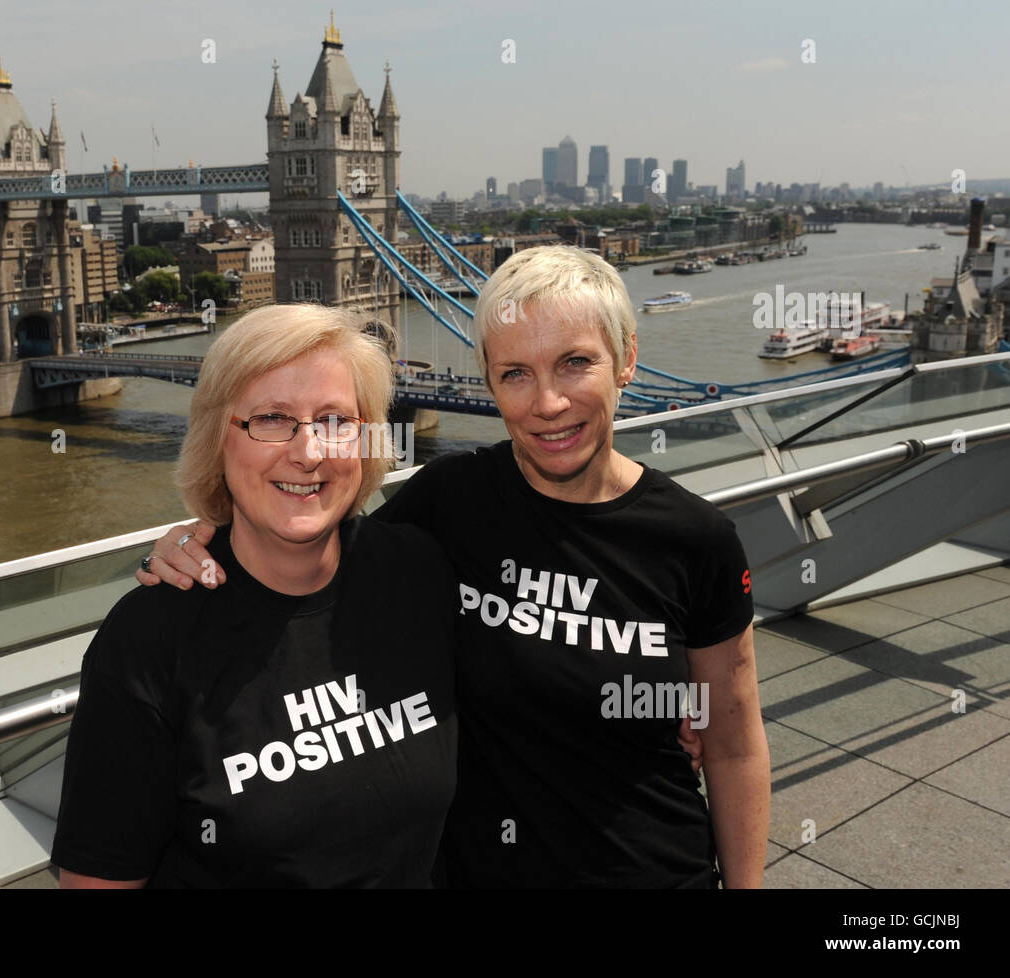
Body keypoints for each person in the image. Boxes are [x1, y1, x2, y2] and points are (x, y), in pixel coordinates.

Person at [140, 246, 770, 888]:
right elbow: (309, 555)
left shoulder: (697, 540)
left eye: (575, 362)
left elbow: (734, 743)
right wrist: (203, 537)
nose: (548, 403)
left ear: (627, 358)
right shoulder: (449, 501)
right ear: (490, 382)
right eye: (515, 373)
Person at [52, 304, 458, 888]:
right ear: (219, 437)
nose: (308, 452)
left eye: (335, 420)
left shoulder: (419, 572)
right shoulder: (151, 637)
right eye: (271, 419)